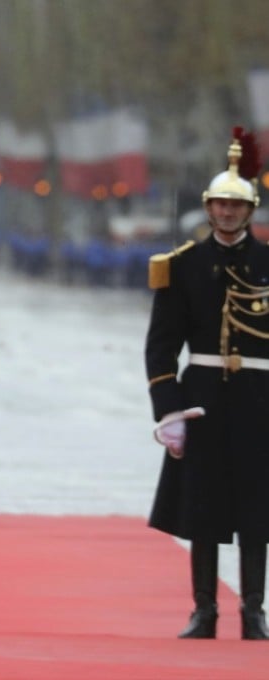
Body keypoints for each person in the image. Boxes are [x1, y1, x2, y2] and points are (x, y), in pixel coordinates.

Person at [145, 127, 269, 640]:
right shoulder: (182, 267)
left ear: (250, 211)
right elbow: (160, 347)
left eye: (235, 207)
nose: (226, 214)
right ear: (208, 207)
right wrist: (168, 412)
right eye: (219, 205)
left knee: (257, 510)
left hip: (261, 400)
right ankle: (204, 610)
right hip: (202, 400)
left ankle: (254, 612)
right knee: (202, 508)